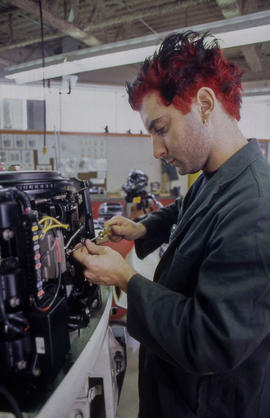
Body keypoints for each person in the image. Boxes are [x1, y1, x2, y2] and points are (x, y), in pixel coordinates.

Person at [74, 31, 270, 418]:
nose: (157, 151)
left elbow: (209, 340)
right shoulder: (219, 176)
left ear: (204, 104)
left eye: (161, 129)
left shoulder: (257, 208)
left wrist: (126, 280)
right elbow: (189, 210)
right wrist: (145, 228)